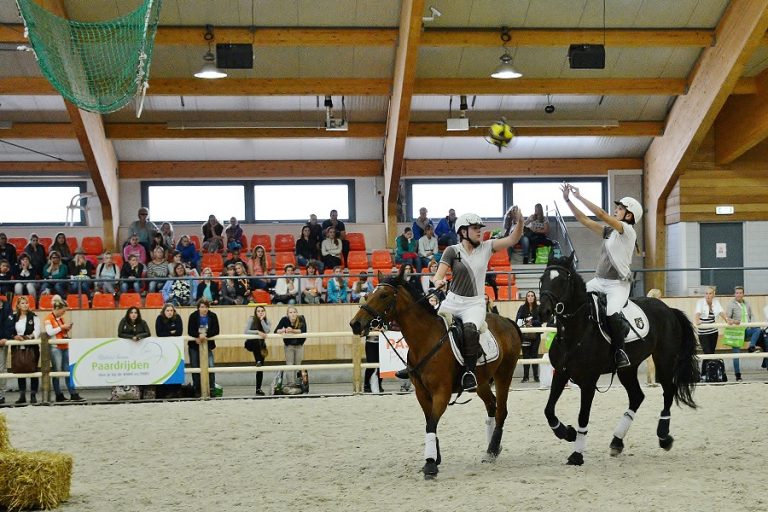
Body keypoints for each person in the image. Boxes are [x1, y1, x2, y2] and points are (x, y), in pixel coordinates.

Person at [431, 209, 524, 391]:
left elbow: (513, 239)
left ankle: (469, 373)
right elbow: (437, 276)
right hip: (452, 300)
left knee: (470, 330)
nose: (479, 231)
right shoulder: (452, 251)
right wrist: (438, 281)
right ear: (463, 232)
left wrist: (520, 222)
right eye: (475, 228)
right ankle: (414, 365)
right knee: (430, 326)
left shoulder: (487, 247)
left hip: (474, 304)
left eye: (479, 228)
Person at [561, 184, 641, 369]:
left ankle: (620, 351)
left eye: (620, 208)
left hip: (617, 286)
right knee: (575, 300)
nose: (616, 210)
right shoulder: (610, 232)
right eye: (617, 207)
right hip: (599, 281)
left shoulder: (628, 231)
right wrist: (568, 200)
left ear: (629, 216)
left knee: (612, 312)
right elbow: (584, 220)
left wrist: (580, 197)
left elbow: (602, 215)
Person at [44, 296, 83, 402]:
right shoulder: (48, 318)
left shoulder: (60, 319)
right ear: (58, 309)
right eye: (63, 310)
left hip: (64, 346)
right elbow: (49, 332)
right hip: (56, 347)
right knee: (57, 371)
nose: (64, 313)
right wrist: (62, 327)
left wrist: (65, 328)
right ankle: (58, 394)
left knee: (67, 370)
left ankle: (73, 393)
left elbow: (57, 331)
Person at [725, 286, 762, 381]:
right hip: (737, 332)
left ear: (743, 294)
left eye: (740, 293)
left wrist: (753, 324)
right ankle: (738, 375)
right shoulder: (731, 304)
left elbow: (751, 315)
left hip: (747, 330)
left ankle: (751, 346)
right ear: (734, 294)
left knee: (758, 329)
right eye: (737, 293)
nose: (738, 294)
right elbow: (727, 318)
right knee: (736, 354)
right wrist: (734, 321)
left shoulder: (747, 304)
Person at [116, 306, 152, 399]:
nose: (133, 314)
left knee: (140, 370)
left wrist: (139, 336)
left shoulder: (143, 322)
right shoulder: (123, 321)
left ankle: (142, 390)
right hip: (127, 351)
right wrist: (131, 337)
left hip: (141, 350)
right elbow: (120, 334)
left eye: (135, 312)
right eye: (131, 312)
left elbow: (148, 333)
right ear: (128, 314)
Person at [187, 298, 220, 397]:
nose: (204, 309)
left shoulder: (213, 316)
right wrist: (198, 335)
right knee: (195, 367)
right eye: (202, 307)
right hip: (194, 346)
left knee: (211, 367)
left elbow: (216, 330)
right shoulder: (193, 316)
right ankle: (197, 389)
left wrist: (205, 336)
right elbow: (190, 330)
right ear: (198, 308)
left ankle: (211, 388)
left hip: (208, 345)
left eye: (206, 307)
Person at [11, 295, 40, 404]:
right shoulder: (14, 317)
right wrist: (14, 337)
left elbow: (36, 331)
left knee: (33, 369)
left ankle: (33, 395)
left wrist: (28, 337)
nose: (25, 305)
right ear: (18, 305)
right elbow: (10, 330)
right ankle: (22, 395)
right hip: (18, 347)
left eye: (26, 302)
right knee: (20, 369)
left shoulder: (34, 316)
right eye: (22, 303)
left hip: (32, 347)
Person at [694, 286, 728, 377]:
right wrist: (697, 320)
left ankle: (707, 374)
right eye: (706, 293)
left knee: (711, 353)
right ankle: (704, 373)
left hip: (713, 332)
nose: (708, 295)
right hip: (703, 333)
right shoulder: (700, 302)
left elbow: (721, 312)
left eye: (710, 293)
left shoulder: (716, 302)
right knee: (707, 352)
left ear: (714, 294)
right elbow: (697, 313)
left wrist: (727, 320)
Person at [274, 306, 307, 391]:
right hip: (289, 345)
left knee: (298, 364)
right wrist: (283, 330)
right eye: (290, 312)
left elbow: (302, 330)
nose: (292, 314)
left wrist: (292, 330)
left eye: (294, 312)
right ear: (287, 314)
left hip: (299, 345)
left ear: (297, 313)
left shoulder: (301, 318)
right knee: (290, 364)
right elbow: (276, 330)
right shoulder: (284, 320)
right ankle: (291, 383)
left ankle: (298, 383)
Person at [155, 303, 184, 398]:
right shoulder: (159, 319)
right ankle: (165, 392)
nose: (169, 312)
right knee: (165, 369)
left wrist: (167, 331)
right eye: (167, 310)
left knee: (175, 369)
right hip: (163, 349)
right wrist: (171, 331)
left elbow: (179, 332)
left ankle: (176, 391)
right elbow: (159, 333)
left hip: (176, 349)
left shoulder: (178, 318)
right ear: (164, 311)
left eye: (171, 310)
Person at [516, 290, 542, 383]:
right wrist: (525, 321)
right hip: (525, 336)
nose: (530, 297)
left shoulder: (539, 308)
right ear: (526, 298)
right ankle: (525, 377)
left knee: (535, 356)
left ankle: (536, 376)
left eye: (532, 296)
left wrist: (532, 322)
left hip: (536, 336)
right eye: (528, 296)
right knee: (526, 356)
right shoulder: (522, 308)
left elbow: (540, 321)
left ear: (534, 297)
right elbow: (517, 321)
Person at [244, 305, 271, 396]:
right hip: (251, 343)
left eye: (262, 311)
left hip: (261, 346)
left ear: (265, 312)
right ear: (255, 312)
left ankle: (258, 389)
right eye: (258, 311)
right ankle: (258, 360)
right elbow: (246, 331)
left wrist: (262, 320)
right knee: (256, 341)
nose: (260, 312)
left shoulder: (267, 321)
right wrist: (258, 332)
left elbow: (267, 330)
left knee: (260, 368)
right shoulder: (251, 319)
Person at [0, 295, 14, 405]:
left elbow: (9, 324)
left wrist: (4, 337)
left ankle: (1, 395)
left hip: (2, 342)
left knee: (1, 369)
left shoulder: (6, 306)